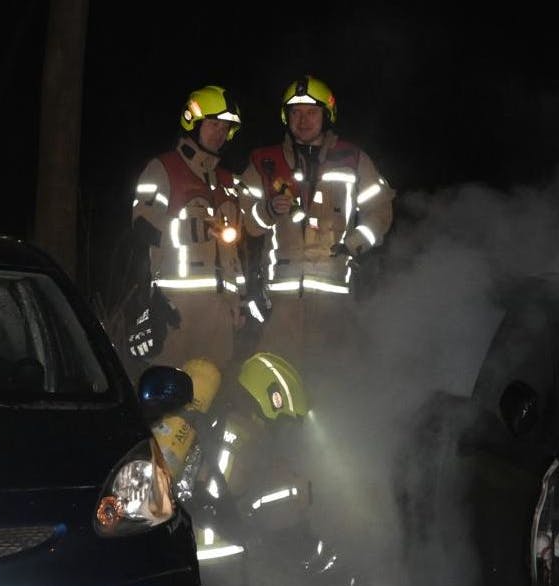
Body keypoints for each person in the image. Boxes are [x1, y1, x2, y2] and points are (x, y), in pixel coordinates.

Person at [240, 74, 395, 380]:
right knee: (275, 381)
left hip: (334, 301)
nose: (303, 120)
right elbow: (246, 222)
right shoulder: (264, 161)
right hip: (280, 303)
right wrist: (267, 210)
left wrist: (353, 244)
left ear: (327, 115)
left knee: (331, 381)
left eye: (312, 111)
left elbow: (381, 211)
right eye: (295, 112)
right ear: (286, 117)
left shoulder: (352, 159)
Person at [127, 84, 251, 374]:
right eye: (213, 124)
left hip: (220, 313)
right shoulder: (163, 168)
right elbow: (141, 225)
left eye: (225, 128)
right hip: (175, 310)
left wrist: (239, 301)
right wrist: (191, 231)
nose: (219, 133)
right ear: (192, 122)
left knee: (211, 395)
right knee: (168, 393)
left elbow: (234, 251)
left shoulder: (227, 181)